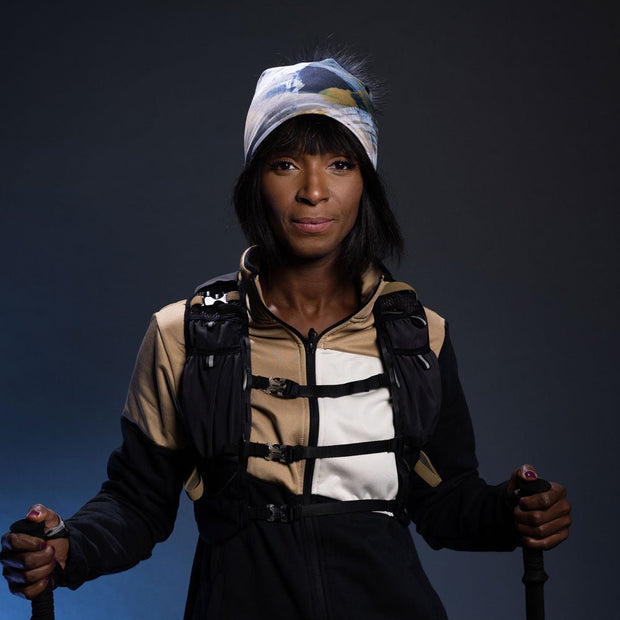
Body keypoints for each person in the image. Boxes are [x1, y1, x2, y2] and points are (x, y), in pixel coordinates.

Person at [1, 49, 571, 619]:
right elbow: (137, 503)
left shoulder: (419, 336)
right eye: (286, 164)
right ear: (255, 180)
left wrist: (511, 511)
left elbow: (444, 500)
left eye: (341, 165)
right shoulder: (184, 334)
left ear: (366, 182)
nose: (314, 191)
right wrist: (67, 547)